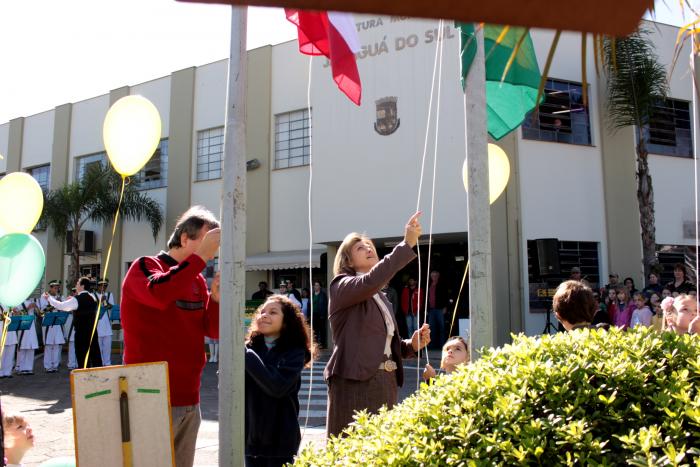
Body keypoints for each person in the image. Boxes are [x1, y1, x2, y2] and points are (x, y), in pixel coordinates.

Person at [121, 206, 220, 467]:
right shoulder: (144, 266)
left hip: (190, 395)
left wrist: (217, 299)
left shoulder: (197, 279)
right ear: (185, 238)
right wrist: (199, 259)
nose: (213, 251)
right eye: (208, 241)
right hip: (149, 393)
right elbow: (158, 293)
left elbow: (213, 330)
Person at [324, 212, 431, 438]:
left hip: (385, 381)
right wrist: (406, 244)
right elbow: (371, 280)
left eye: (370, 245)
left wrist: (411, 344)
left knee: (382, 450)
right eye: (360, 247)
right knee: (351, 448)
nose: (368, 248)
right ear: (347, 261)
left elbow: (382, 344)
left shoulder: (381, 296)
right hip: (354, 382)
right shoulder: (341, 285)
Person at [244, 295, 313, 467]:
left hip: (280, 441)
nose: (264, 315)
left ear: (286, 322)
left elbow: (277, 386)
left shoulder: (295, 352)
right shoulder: (249, 347)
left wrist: (247, 357)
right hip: (251, 438)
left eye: (273, 312)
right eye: (262, 311)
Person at [45, 277, 102, 369]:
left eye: (78, 283)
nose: (76, 285)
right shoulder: (93, 297)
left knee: (82, 358)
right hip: (93, 332)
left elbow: (61, 306)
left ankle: (84, 379)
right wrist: (73, 299)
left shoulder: (77, 299)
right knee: (95, 356)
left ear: (82, 286)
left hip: (81, 333)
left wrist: (49, 299)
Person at [39, 280, 65, 373]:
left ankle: (55, 365)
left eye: (58, 287)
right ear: (50, 287)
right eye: (55, 288)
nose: (57, 289)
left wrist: (60, 303)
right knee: (49, 344)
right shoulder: (44, 296)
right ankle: (48, 366)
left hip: (57, 322)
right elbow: (43, 310)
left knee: (57, 344)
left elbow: (63, 308)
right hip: (48, 323)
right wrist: (55, 304)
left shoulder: (60, 296)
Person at [14, 299, 39, 375]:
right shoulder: (18, 302)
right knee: (22, 347)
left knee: (31, 347)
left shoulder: (33, 300)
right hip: (22, 326)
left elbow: (39, 314)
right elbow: (16, 314)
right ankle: (20, 367)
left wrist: (36, 307)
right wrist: (28, 308)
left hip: (32, 327)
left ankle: (29, 368)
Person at [427, 270, 449, 349]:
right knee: (432, 328)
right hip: (431, 309)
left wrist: (445, 307)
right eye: (432, 276)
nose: (434, 277)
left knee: (441, 328)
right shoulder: (429, 284)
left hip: (440, 309)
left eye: (435, 276)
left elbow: (446, 296)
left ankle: (442, 345)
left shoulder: (442, 285)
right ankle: (432, 345)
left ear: (438, 276)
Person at [95, 278, 114, 366]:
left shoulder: (109, 295)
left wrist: (105, 301)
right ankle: (100, 363)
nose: (103, 288)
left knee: (107, 347)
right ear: (98, 286)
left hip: (107, 326)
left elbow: (110, 307)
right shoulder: (93, 295)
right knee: (98, 347)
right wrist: (100, 301)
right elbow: (93, 308)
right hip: (97, 326)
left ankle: (107, 363)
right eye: (102, 286)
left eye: (105, 286)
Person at [0, 305, 17, 378]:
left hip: (10, 327)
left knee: (10, 349)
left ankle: (7, 372)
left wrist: (14, 312)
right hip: (1, 327)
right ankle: (1, 372)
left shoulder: (10, 303)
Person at [311, 281, 328, 347]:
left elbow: (325, 305)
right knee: (314, 330)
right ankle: (315, 344)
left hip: (320, 314)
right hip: (313, 314)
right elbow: (309, 304)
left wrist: (323, 315)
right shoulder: (312, 294)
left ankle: (323, 344)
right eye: (315, 285)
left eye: (317, 285)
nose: (316, 287)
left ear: (320, 287)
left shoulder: (323, 295)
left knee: (322, 329)